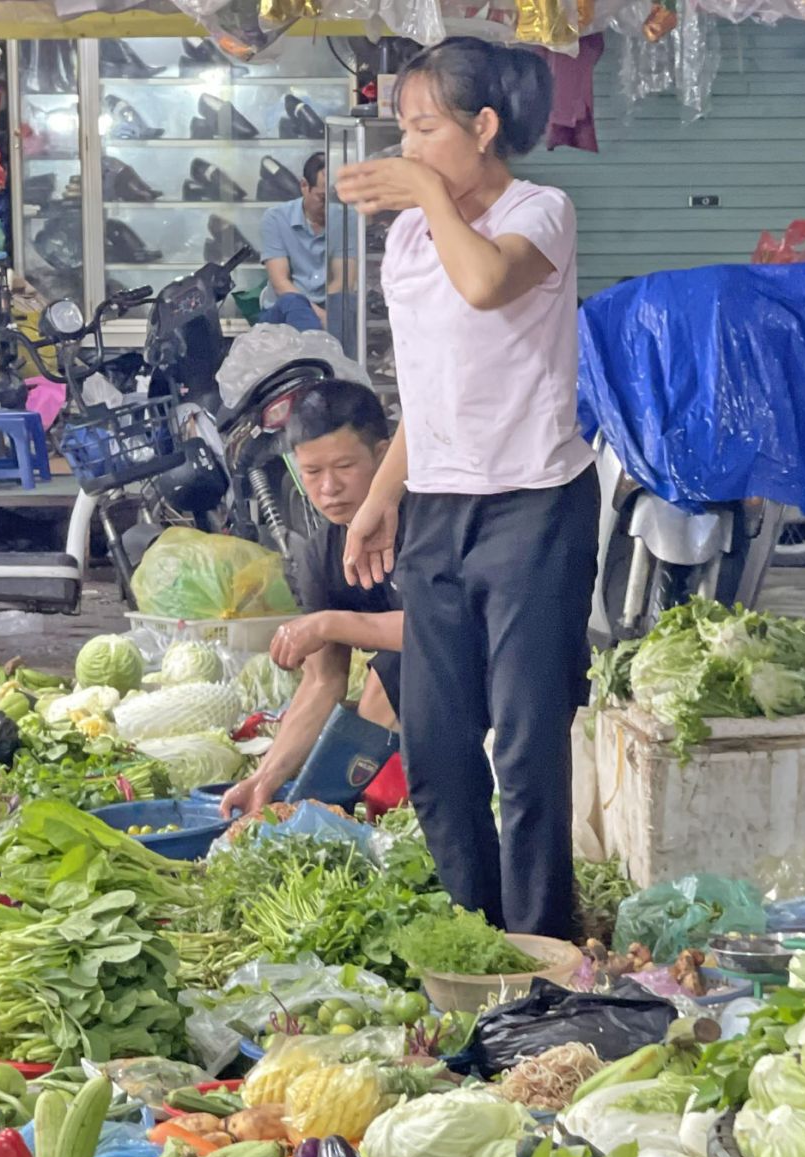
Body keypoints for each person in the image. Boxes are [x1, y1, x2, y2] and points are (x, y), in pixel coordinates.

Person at [333, 37, 598, 939]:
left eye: (424, 128)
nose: (406, 147)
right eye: (401, 129)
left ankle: (541, 946)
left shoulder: (542, 210)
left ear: (485, 128)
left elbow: (486, 284)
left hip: (536, 507)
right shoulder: (409, 236)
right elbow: (428, 389)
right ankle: (477, 936)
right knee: (439, 747)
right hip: (440, 508)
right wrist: (383, 496)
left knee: (526, 747)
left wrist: (430, 196)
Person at [221, 381, 403, 819]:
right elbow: (323, 680)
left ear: (383, 456)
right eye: (312, 472)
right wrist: (264, 778)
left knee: (394, 671)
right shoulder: (320, 553)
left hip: (482, 675)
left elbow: (441, 628)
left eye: (344, 466)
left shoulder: (423, 519)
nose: (329, 488)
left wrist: (326, 624)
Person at [259, 153, 330, 332]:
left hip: (328, 307)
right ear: (304, 186)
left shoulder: (345, 218)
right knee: (295, 303)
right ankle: (312, 357)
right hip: (285, 310)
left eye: (334, 198)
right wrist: (321, 316)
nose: (329, 205)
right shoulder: (275, 218)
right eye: (322, 198)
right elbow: (280, 283)